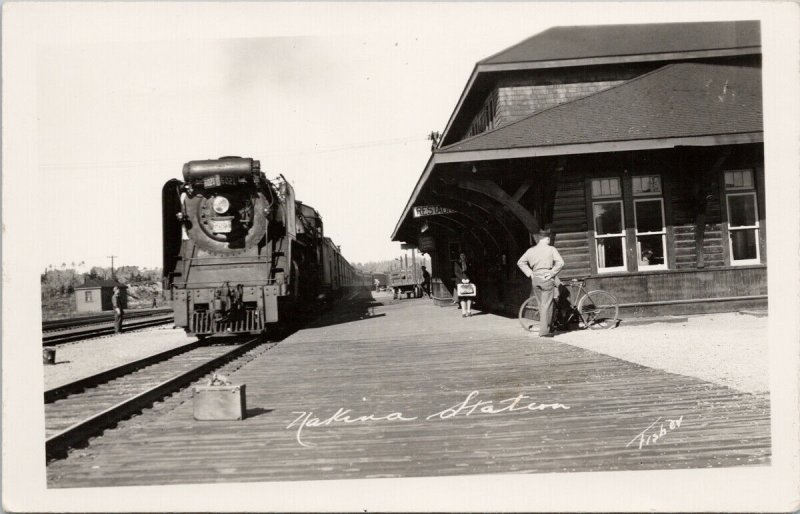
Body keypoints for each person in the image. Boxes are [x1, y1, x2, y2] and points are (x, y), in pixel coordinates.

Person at [517, 228, 564, 338]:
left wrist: (530, 273)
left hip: (536, 279)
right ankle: (544, 331)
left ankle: (548, 327)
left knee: (541, 304)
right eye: (549, 239)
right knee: (547, 305)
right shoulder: (551, 249)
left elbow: (520, 262)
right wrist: (552, 273)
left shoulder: (531, 250)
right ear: (547, 238)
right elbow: (560, 263)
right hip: (546, 277)